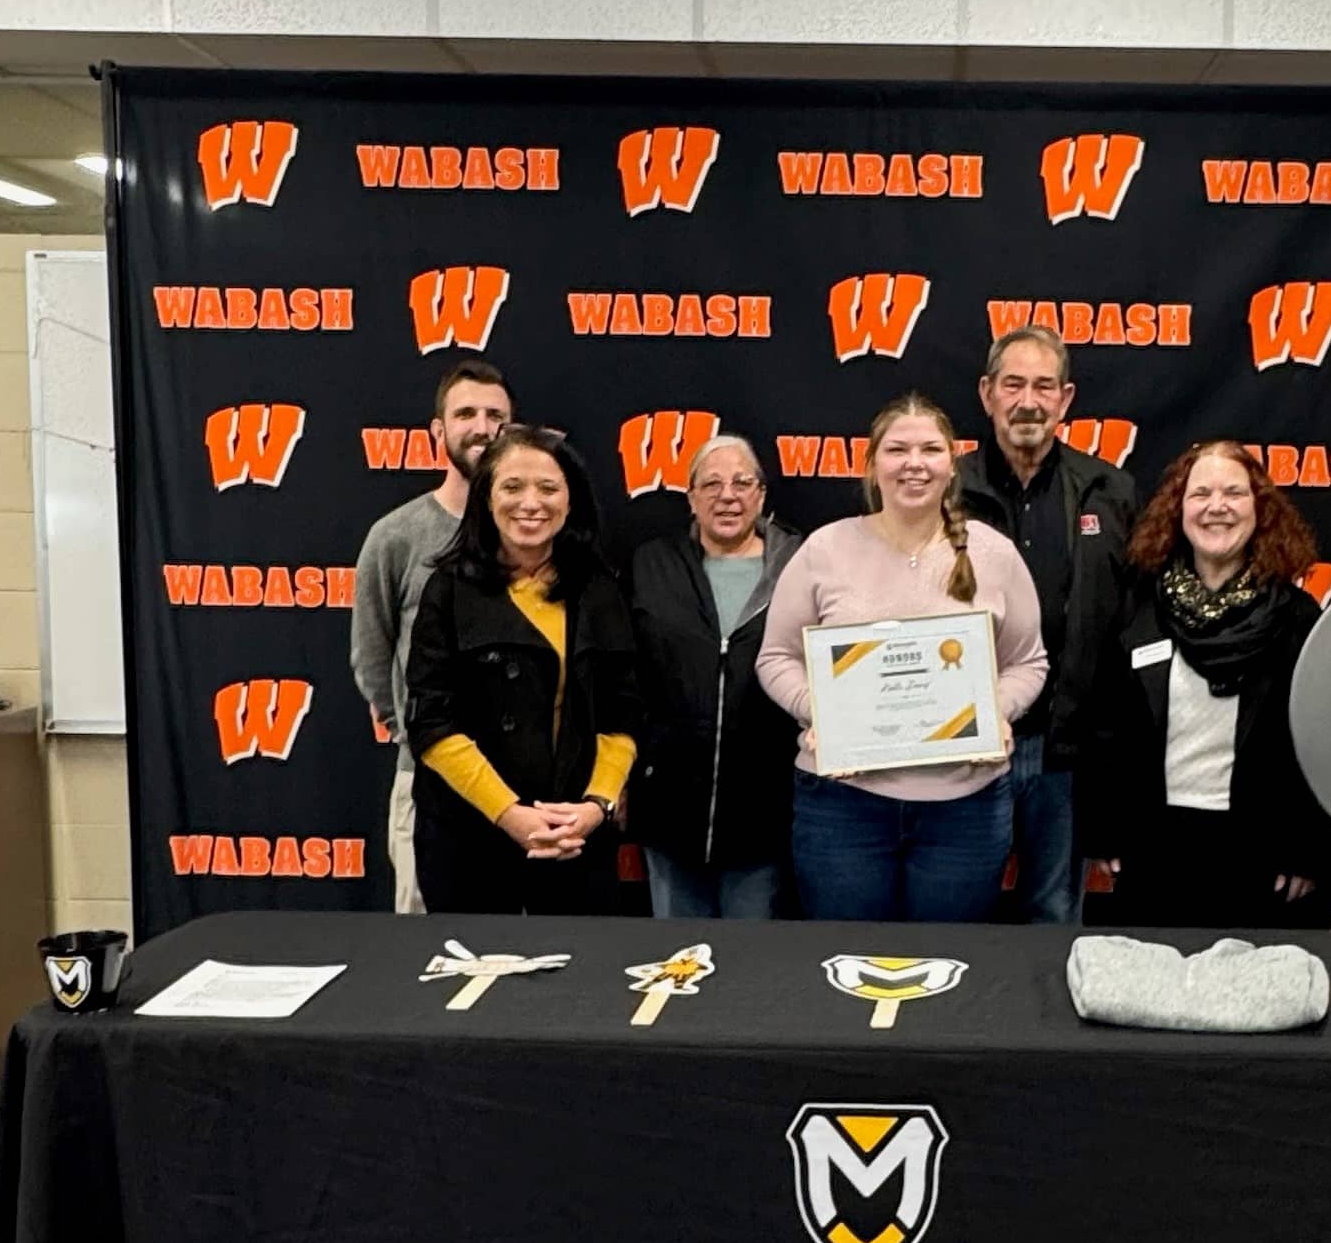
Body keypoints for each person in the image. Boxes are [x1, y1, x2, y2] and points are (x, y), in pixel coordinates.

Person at [756, 394, 1048, 923]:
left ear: (950, 463)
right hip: (842, 807)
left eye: (930, 449)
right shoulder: (825, 549)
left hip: (967, 810)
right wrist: (818, 709)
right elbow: (775, 657)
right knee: (845, 965)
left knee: (946, 968)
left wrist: (995, 712)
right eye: (897, 449)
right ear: (871, 464)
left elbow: (1029, 662)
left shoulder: (994, 553)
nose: (914, 463)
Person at [1085, 441, 1331, 930]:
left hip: (1259, 854)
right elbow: (1106, 727)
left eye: (1234, 492)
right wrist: (1108, 832)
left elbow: (1323, 739)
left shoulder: (1296, 618)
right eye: (1200, 493)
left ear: (1259, 508)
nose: (1217, 507)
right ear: (1177, 510)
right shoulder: (1138, 610)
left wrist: (1306, 851)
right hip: (1155, 846)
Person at [403, 425, 640, 915]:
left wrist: (596, 807)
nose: (530, 502)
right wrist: (509, 815)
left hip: (574, 834)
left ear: (571, 501)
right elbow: (431, 722)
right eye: (512, 487)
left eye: (548, 488)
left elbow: (623, 713)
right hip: (469, 837)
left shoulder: (600, 591)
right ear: (486, 498)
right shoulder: (447, 590)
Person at [959, 325, 1136, 922]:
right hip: (962, 749)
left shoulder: (1110, 492)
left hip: (1064, 755)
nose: (1028, 401)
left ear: (1065, 399)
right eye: (1013, 384)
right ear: (987, 394)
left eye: (1043, 385)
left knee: (1054, 920)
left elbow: (1126, 638)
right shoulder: (943, 491)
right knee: (956, 920)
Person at [350, 357, 513, 913]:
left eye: (496, 414)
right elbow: (372, 653)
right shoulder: (396, 537)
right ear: (438, 431)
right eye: (465, 412)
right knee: (427, 953)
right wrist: (416, 733)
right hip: (425, 781)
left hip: (522, 789)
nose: (482, 426)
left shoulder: (534, 535)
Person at [627, 435, 803, 919]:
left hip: (763, 814)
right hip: (668, 811)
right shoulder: (650, 565)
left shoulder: (801, 567)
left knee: (749, 972)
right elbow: (625, 679)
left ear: (762, 496)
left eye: (743, 483)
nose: (728, 496)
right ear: (690, 497)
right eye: (712, 484)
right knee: (675, 965)